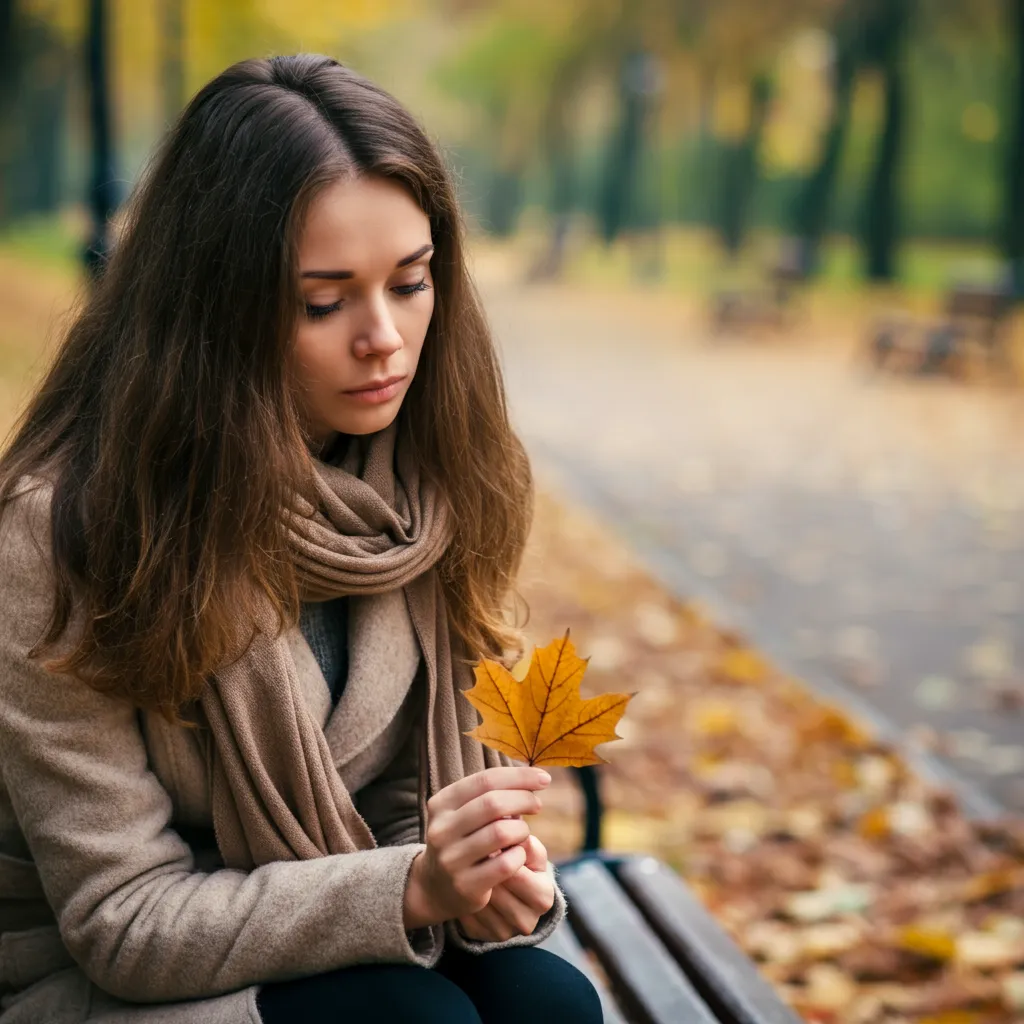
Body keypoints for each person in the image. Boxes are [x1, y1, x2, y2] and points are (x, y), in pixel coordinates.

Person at [0, 54, 604, 1024]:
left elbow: (407, 789)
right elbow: (119, 920)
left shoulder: (419, 478)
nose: (385, 338)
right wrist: (408, 885)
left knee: (548, 1002)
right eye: (325, 301)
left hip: (343, 918)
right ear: (214, 309)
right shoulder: (64, 529)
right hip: (116, 975)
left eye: (410, 282)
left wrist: (479, 864)